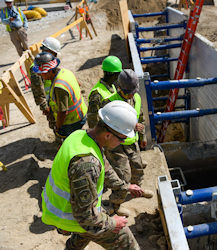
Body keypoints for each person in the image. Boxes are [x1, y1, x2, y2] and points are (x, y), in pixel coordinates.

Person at [41, 101, 142, 250]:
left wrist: (125, 186)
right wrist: (114, 223)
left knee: (84, 234)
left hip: (68, 210)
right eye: (122, 139)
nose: (122, 143)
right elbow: (86, 218)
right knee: (123, 237)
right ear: (108, 135)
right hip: (70, 217)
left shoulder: (81, 136)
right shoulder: (86, 164)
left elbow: (104, 167)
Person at [100, 69, 152, 216]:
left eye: (132, 92)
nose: (130, 95)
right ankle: (115, 204)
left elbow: (140, 117)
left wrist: (142, 137)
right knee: (123, 175)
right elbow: (103, 126)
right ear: (119, 88)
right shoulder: (110, 102)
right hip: (115, 144)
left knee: (137, 166)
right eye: (127, 92)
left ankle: (138, 190)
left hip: (131, 141)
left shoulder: (136, 97)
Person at [33, 52, 88, 139]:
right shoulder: (65, 72)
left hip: (72, 121)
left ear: (50, 71)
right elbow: (79, 84)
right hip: (81, 113)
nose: (39, 75)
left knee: (69, 142)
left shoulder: (59, 86)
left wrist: (58, 127)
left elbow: (63, 112)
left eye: (41, 72)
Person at [30, 37, 61, 130]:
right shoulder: (36, 68)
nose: (56, 56)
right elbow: (37, 90)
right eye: (54, 53)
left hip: (56, 98)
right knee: (55, 123)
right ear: (48, 50)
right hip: (49, 102)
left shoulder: (49, 60)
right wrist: (44, 107)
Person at [87, 55, 122, 128]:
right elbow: (92, 121)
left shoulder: (111, 86)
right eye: (118, 74)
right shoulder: (96, 94)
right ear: (113, 74)